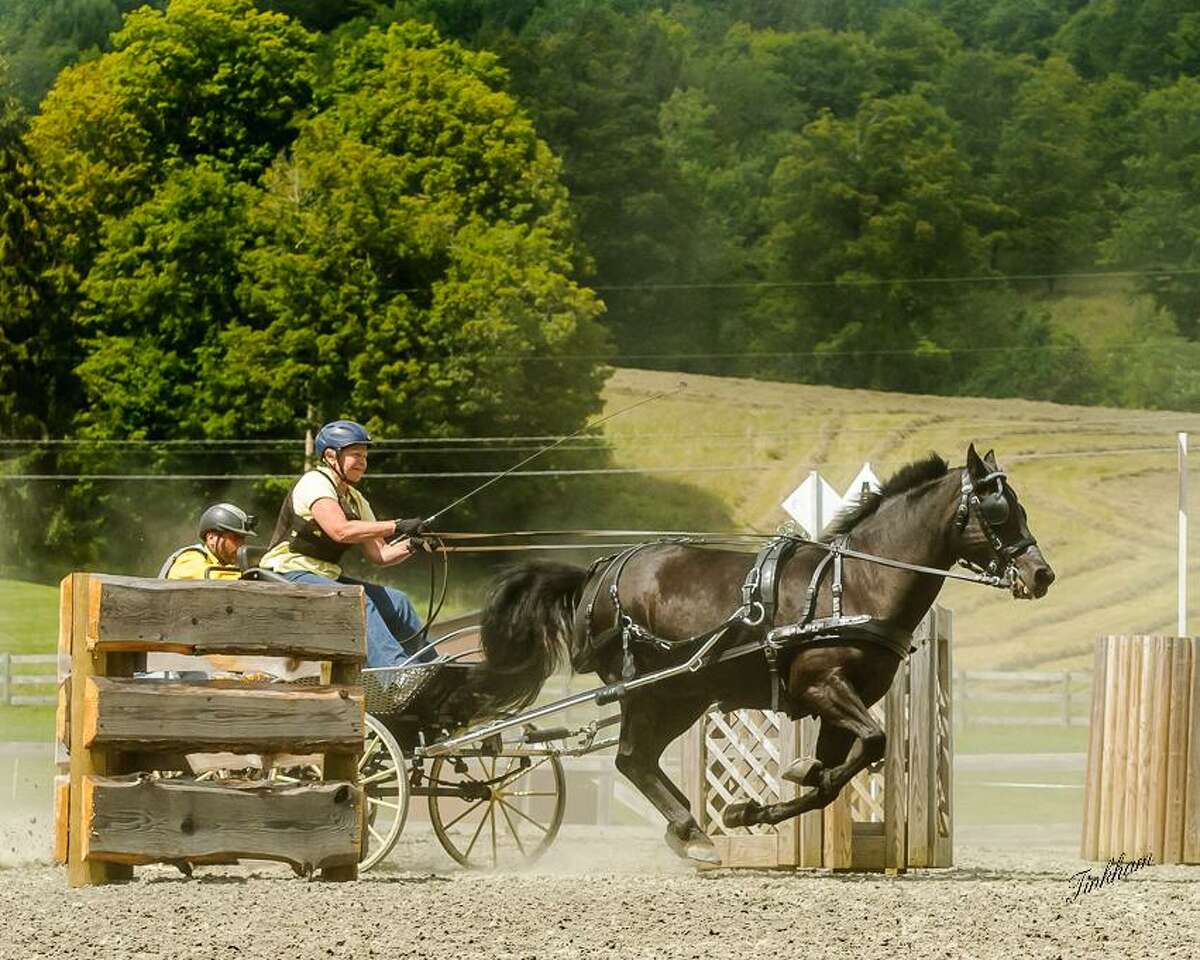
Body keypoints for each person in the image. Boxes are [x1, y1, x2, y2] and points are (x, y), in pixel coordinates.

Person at [260, 419, 432, 668]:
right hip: (289, 573)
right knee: (359, 600)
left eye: (364, 455)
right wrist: (398, 525)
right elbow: (340, 530)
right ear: (331, 456)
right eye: (355, 455)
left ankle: (429, 667)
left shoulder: (355, 499)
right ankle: (397, 673)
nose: (363, 461)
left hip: (323, 576)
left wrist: (415, 544)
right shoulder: (315, 482)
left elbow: (380, 554)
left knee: (399, 602)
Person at [159, 502, 257, 580]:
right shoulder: (188, 559)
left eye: (243, 538)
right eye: (235, 538)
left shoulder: (229, 565)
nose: (241, 544)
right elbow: (214, 577)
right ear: (211, 537)